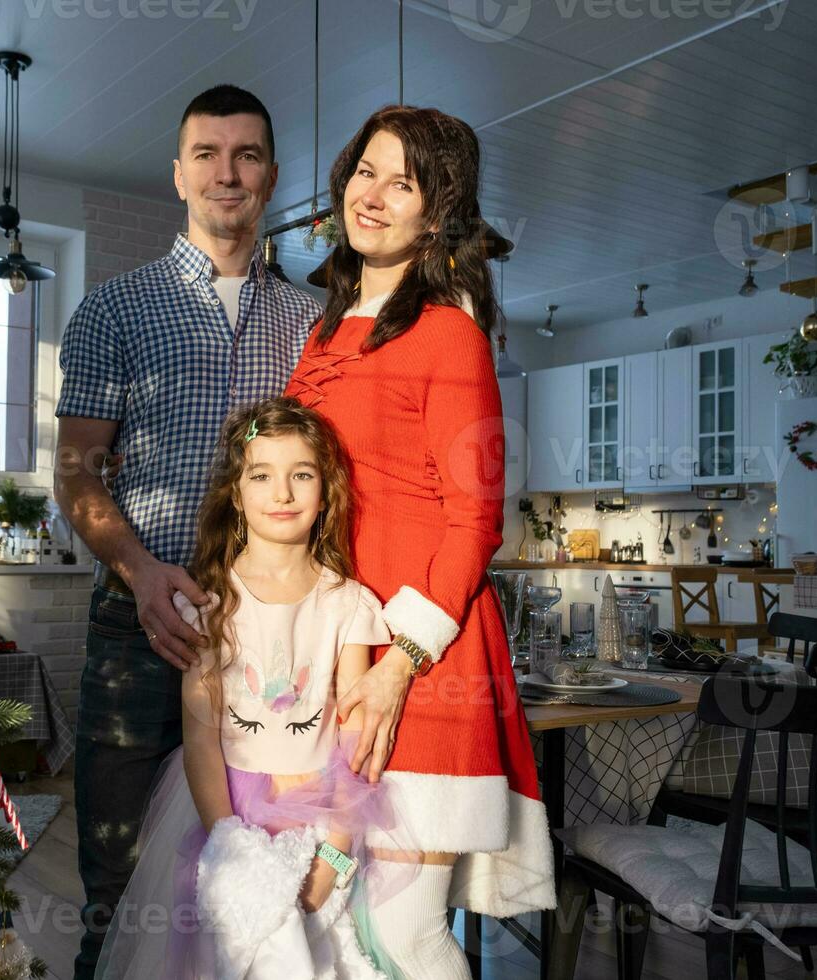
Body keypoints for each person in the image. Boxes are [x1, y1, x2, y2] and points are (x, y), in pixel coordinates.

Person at [55, 85, 322, 979]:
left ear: (273, 176)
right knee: (117, 890)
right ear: (177, 174)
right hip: (137, 635)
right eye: (207, 153)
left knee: (260, 890)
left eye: (247, 154)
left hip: (270, 647)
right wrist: (138, 570)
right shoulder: (113, 310)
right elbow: (77, 473)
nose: (227, 172)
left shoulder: (314, 322)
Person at [284, 105, 555, 978]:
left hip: (425, 666)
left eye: (404, 182)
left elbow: (476, 520)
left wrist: (400, 663)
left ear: (436, 214)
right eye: (366, 171)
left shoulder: (451, 335)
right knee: (337, 927)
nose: (375, 194)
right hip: (338, 653)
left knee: (404, 934)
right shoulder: (320, 335)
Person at [97, 397, 408, 978]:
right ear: (235, 495)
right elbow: (201, 736)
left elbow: (354, 737)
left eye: (302, 475)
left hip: (318, 815)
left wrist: (336, 851)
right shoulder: (211, 605)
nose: (283, 493)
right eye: (261, 476)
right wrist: (227, 844)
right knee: (224, 959)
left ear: (327, 490)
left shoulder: (348, 605)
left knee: (318, 951)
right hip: (225, 810)